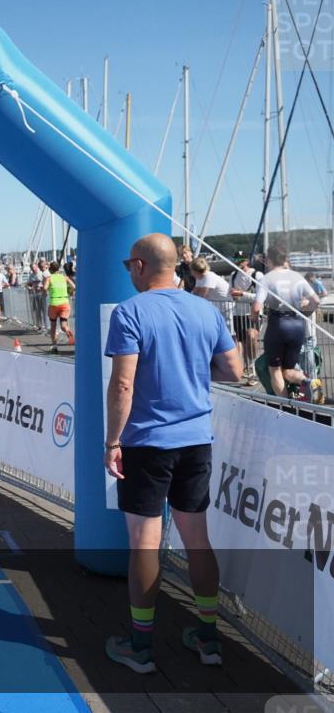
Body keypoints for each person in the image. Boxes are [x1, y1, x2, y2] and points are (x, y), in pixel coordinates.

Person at [104, 233, 242, 675]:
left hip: (148, 443)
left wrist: (112, 441)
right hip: (196, 440)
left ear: (140, 266)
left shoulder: (130, 312)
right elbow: (234, 370)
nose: (128, 271)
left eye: (128, 265)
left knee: (144, 544)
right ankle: (209, 639)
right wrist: (191, 370)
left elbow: (122, 385)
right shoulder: (205, 310)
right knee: (197, 539)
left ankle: (141, 647)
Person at [251, 244, 321, 399]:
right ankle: (309, 382)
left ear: (269, 260)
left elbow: (256, 307)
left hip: (278, 324)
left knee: (275, 369)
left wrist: (254, 317)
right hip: (297, 324)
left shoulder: (267, 278)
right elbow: (316, 300)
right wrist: (306, 313)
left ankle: (284, 405)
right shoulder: (297, 276)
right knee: (288, 370)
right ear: (284, 259)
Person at [229, 253, 263, 383]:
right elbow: (229, 294)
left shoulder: (257, 275)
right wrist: (233, 294)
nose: (238, 262)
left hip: (253, 312)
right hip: (238, 313)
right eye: (236, 260)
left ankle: (252, 366)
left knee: (251, 336)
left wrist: (242, 293)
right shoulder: (233, 275)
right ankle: (248, 368)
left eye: (241, 260)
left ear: (247, 261)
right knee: (242, 342)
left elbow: (260, 296)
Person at [44, 262, 75, 353]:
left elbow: (45, 288)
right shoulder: (65, 277)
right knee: (63, 326)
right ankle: (68, 331)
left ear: (51, 269)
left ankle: (54, 346)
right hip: (64, 303)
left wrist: (44, 293)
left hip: (54, 303)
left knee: (53, 326)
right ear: (58, 269)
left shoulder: (49, 278)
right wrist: (70, 292)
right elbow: (74, 286)